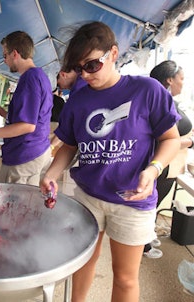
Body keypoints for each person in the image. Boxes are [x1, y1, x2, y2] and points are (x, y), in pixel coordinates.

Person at [40, 21, 180, 302]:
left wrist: (153, 170)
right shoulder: (78, 102)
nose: (85, 74)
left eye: (92, 65)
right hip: (89, 196)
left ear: (113, 54)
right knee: (83, 263)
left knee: (126, 277)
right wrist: (52, 173)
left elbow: (171, 139)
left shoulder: (147, 90)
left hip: (132, 200)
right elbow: (69, 145)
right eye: (79, 69)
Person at [0, 31, 53, 186]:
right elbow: (34, 116)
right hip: (35, 149)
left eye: (5, 55)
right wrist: (6, 114)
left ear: (15, 53)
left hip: (24, 155)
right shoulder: (40, 76)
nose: (4, 60)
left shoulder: (29, 79)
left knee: (15, 204)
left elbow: (28, 125)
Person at [143, 60, 194, 258]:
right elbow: (161, 138)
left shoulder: (166, 101)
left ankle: (146, 237)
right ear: (169, 80)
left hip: (169, 163)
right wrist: (188, 141)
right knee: (151, 204)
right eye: (181, 78)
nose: (183, 82)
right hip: (161, 163)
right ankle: (144, 245)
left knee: (153, 203)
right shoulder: (162, 103)